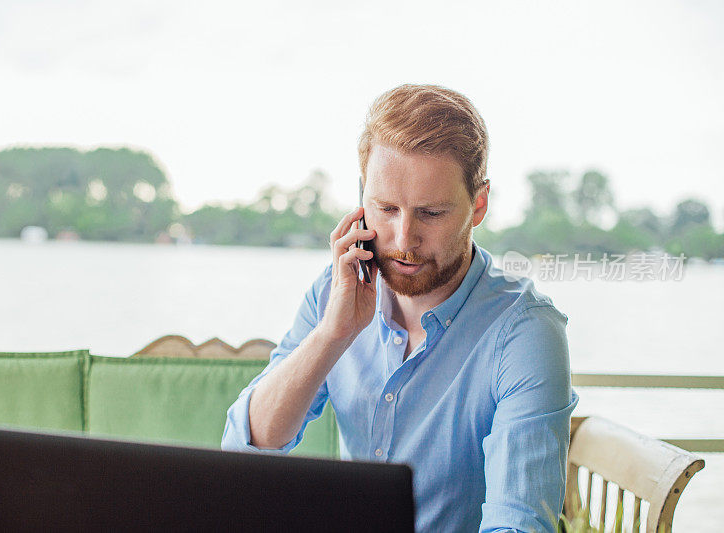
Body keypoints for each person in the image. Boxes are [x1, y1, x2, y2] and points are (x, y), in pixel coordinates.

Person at [221, 84, 578, 532]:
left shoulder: (525, 332)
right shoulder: (334, 293)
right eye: (386, 208)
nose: (404, 239)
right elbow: (245, 449)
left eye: (431, 213)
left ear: (479, 204)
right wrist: (333, 335)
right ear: (361, 198)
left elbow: (518, 524)